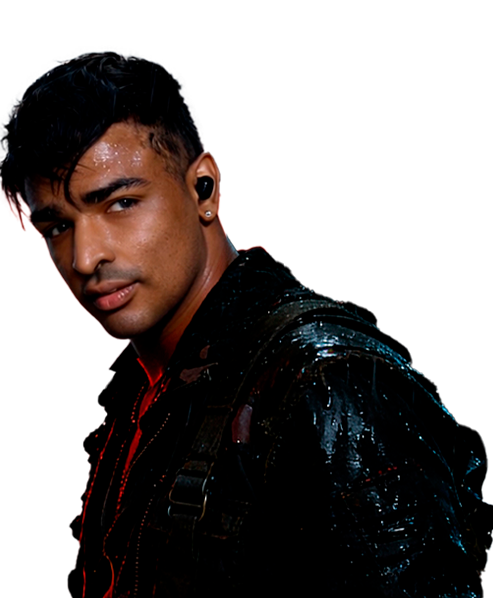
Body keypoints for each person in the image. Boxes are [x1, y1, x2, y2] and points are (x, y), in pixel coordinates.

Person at [1, 51, 491, 597]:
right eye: (58, 227)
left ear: (203, 189)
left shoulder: (325, 382)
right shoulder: (142, 386)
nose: (86, 257)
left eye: (121, 203)